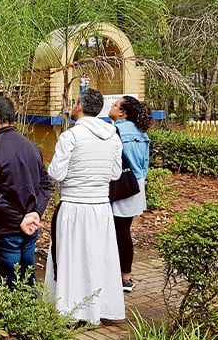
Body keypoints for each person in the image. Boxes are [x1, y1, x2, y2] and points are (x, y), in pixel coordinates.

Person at [45, 89, 125, 325]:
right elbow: (115, 173)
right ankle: (98, 306)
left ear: (79, 106)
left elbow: (56, 173)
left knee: (71, 257)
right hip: (100, 206)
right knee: (98, 256)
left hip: (74, 206)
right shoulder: (112, 136)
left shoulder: (71, 137)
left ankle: (71, 309)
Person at [0, 96, 51, 287]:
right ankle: (32, 316)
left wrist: (27, 217)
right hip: (27, 228)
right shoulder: (31, 147)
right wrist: (34, 214)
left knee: (7, 288)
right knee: (26, 282)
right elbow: (46, 185)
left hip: (2, 232)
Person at [108, 95, 151, 292]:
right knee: (124, 231)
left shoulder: (114, 130)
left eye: (115, 105)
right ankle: (125, 276)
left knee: (116, 232)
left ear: (122, 112)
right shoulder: (141, 133)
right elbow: (144, 164)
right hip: (137, 185)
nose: (112, 106)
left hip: (121, 185)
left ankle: (117, 276)